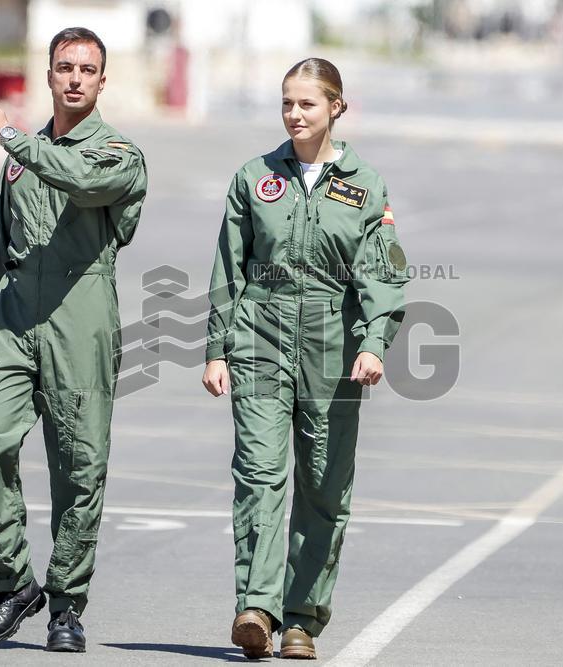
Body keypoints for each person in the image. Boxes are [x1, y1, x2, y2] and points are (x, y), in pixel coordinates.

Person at [202, 57, 410, 660]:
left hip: (333, 349)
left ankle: (302, 619)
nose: (295, 114)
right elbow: (228, 268)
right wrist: (217, 348)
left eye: (307, 104)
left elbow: (384, 273)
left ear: (336, 108)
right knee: (259, 479)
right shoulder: (253, 177)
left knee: (323, 486)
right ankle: (256, 610)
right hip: (260, 341)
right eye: (287, 103)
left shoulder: (366, 185)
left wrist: (374, 344)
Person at [0, 26, 147, 652]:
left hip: (79, 321)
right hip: (11, 319)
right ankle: (12, 583)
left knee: (78, 467)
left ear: (102, 80)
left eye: (87, 69)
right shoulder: (21, 155)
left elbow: (80, 181)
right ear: (49, 74)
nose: (75, 79)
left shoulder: (119, 153)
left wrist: (7, 134)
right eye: (65, 67)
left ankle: (66, 605)